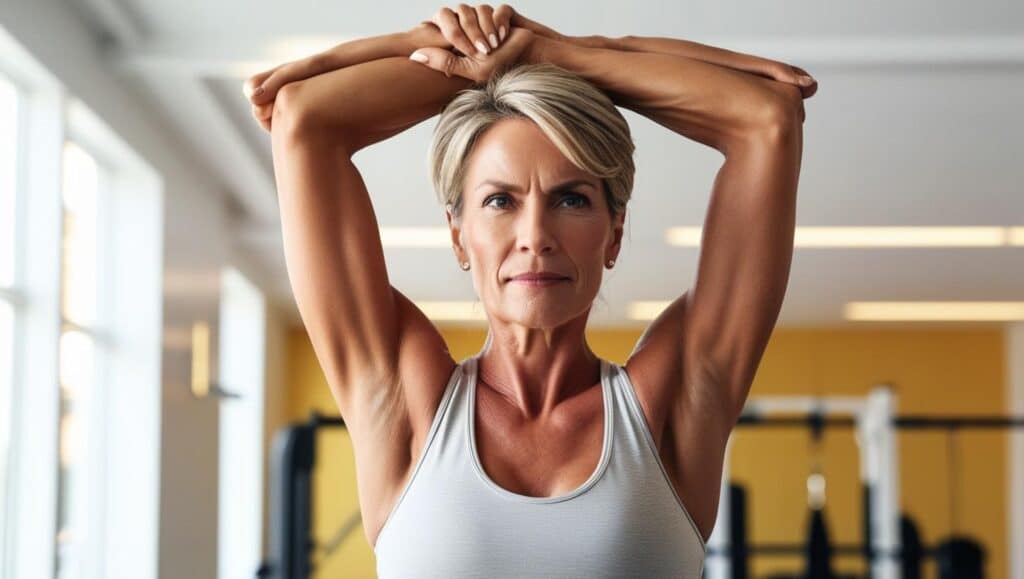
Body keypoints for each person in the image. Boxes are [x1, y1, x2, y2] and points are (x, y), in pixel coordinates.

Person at [244, 5, 814, 577]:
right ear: (458, 236)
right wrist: (467, 58)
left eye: (572, 199)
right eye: (500, 201)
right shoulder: (401, 397)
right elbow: (304, 117)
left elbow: (765, 119)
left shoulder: (673, 403)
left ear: (614, 234)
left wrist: (556, 54)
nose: (536, 236)